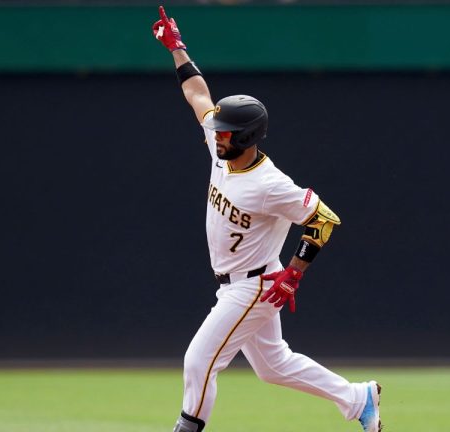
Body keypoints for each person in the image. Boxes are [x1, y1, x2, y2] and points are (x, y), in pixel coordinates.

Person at [152, 6, 381, 432]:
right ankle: (357, 397)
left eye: (225, 130)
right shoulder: (219, 147)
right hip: (241, 278)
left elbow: (325, 219)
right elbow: (198, 94)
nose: (217, 132)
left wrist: (294, 273)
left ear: (246, 137)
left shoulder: (269, 184)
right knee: (273, 366)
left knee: (198, 360)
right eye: (219, 128)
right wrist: (176, 47)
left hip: (254, 285)